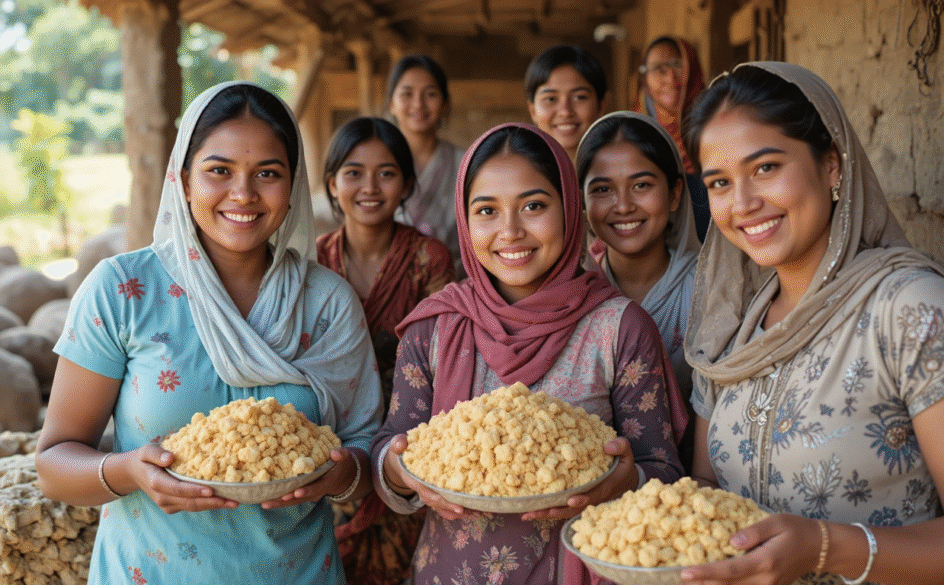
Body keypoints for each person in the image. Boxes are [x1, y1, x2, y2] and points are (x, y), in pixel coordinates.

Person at [681, 62, 944, 584]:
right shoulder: (731, 328)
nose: (743, 203)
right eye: (720, 183)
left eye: (767, 168)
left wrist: (825, 548)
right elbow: (706, 482)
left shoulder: (914, 313)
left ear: (832, 165)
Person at [34, 81, 383, 585]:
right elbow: (54, 464)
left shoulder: (326, 302)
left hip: (298, 573)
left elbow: (365, 450)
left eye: (268, 173)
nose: (243, 194)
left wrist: (339, 473)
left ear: (292, 187)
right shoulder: (124, 291)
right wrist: (129, 470)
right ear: (184, 179)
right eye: (219, 171)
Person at [370, 123, 689, 585]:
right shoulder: (435, 326)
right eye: (486, 211)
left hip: (577, 570)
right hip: (452, 572)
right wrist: (401, 470)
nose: (510, 231)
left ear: (569, 209)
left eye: (534, 206)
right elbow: (391, 447)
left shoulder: (618, 327)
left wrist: (623, 480)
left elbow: (661, 468)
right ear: (463, 219)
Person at [317, 116, 455, 585]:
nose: (369, 187)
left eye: (386, 173)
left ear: (408, 185)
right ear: (332, 183)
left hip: (408, 444)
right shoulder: (314, 263)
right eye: (353, 172)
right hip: (330, 450)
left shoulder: (428, 259)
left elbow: (445, 362)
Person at [576, 110, 702, 470]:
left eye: (642, 185)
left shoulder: (711, 293)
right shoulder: (572, 297)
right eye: (602, 189)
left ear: (675, 193)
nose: (624, 205)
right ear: (582, 205)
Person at [386, 54, 465, 271]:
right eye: (407, 94)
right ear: (392, 103)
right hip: (386, 278)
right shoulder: (377, 166)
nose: (418, 104)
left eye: (430, 94)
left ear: (445, 104)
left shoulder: (465, 164)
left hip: (452, 282)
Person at [634, 36, 710, 241]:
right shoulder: (635, 135)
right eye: (658, 68)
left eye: (677, 64)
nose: (669, 77)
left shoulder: (716, 127)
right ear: (645, 80)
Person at [524, 43, 606, 161]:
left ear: (601, 105)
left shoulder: (621, 169)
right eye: (550, 99)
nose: (565, 112)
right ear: (532, 110)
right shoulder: (520, 176)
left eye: (579, 97)